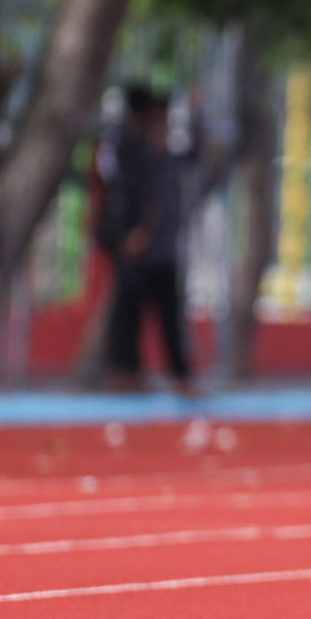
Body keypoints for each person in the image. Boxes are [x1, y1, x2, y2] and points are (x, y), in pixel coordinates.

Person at [95, 84, 197, 395]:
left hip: (160, 247)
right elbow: (127, 193)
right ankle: (125, 372)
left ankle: (176, 374)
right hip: (134, 242)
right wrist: (134, 232)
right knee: (129, 309)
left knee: (167, 311)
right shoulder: (125, 145)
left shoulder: (159, 150)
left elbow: (192, 157)